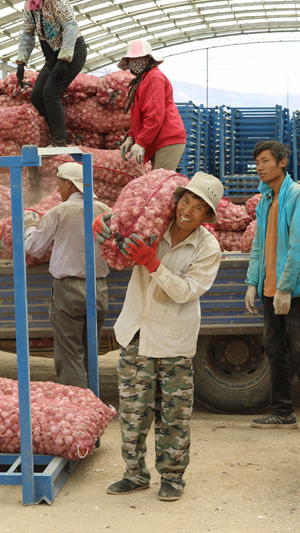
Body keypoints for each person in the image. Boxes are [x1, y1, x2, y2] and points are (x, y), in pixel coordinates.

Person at [98, 172, 223, 502]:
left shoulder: (208, 248)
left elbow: (185, 292)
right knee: (133, 411)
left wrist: (154, 264)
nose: (188, 210)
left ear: (207, 216)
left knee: (174, 414)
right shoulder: (153, 226)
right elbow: (120, 253)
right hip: (136, 331)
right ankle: (135, 474)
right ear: (177, 200)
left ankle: (172, 477)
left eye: (198, 207)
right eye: (186, 201)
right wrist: (105, 235)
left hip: (174, 340)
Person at [244, 140, 300, 437]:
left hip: (293, 290)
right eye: (257, 163)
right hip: (268, 288)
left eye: (265, 161)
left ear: (282, 163)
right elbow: (258, 245)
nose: (260, 168)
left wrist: (286, 288)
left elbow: (299, 245)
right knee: (275, 351)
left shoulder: (298, 196)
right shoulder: (265, 199)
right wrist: (253, 283)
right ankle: (283, 412)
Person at [24, 162, 110, 388]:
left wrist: (30, 228)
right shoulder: (105, 211)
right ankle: (92, 397)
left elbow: (35, 248)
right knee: (89, 349)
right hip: (99, 288)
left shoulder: (59, 212)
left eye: (59, 184)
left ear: (70, 184)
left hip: (69, 290)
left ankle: (81, 406)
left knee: (70, 353)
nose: (58, 190)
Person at [15, 0, 87, 147]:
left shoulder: (56, 2)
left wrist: (64, 59)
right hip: (53, 54)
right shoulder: (30, 6)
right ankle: (58, 131)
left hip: (73, 50)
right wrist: (21, 62)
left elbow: (70, 26)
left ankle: (59, 141)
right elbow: (28, 33)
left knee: (50, 92)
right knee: (36, 96)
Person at [117, 39, 186, 171]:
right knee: (157, 183)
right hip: (159, 139)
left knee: (160, 184)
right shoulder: (143, 80)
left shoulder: (153, 78)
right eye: (133, 59)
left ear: (149, 59)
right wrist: (131, 137)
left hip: (167, 139)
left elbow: (154, 116)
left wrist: (141, 142)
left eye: (140, 58)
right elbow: (140, 116)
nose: (136, 62)